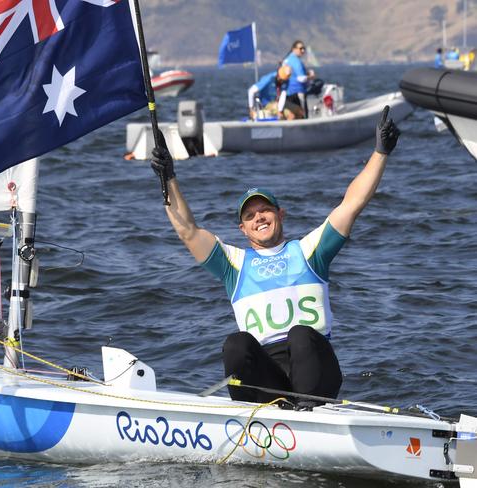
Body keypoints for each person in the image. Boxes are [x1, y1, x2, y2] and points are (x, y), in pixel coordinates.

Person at [150, 106, 401, 408]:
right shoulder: (234, 265)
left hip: (316, 372)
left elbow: (351, 205)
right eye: (250, 215)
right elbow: (188, 231)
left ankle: (307, 412)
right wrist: (168, 177)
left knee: (299, 335)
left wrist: (380, 152)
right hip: (268, 380)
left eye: (265, 210)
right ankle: (256, 414)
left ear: (280, 214)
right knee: (236, 344)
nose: (259, 218)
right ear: (242, 229)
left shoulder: (309, 251)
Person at [283, 40, 315, 118]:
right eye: (300, 48)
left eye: (304, 48)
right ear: (294, 49)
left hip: (287, 94)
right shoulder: (296, 61)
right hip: (298, 92)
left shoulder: (286, 60)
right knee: (302, 116)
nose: (303, 50)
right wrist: (311, 76)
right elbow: (301, 78)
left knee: (293, 116)